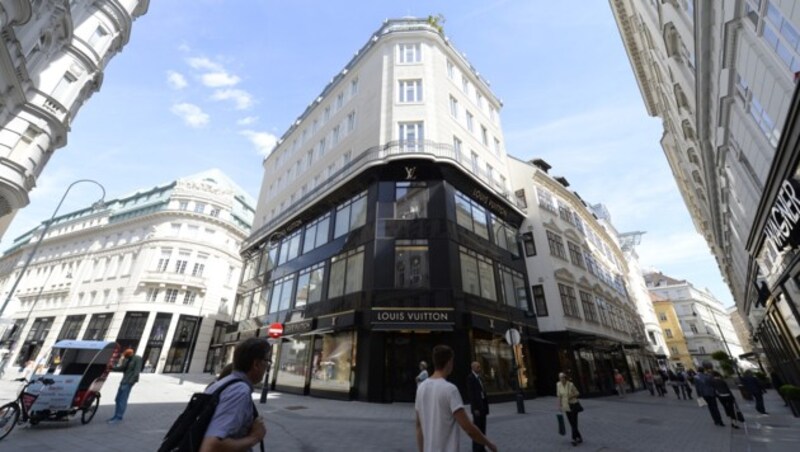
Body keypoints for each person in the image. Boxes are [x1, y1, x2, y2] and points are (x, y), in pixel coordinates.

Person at [415, 345, 497, 452]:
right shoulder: (450, 389)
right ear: (449, 362)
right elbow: (468, 427)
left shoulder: (421, 388)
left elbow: (418, 426)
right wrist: (489, 444)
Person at [201, 338, 268, 451]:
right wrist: (255, 437)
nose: (267, 367)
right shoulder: (239, 391)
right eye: (267, 361)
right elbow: (210, 447)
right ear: (256, 364)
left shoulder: (222, 384)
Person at [107, 348, 143, 424]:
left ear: (130, 354)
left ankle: (118, 417)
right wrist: (112, 368)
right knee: (117, 399)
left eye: (127, 356)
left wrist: (131, 382)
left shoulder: (137, 358)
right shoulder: (127, 359)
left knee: (122, 400)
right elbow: (122, 368)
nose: (126, 358)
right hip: (124, 381)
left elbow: (137, 372)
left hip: (128, 381)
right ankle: (116, 415)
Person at [466, 361, 490, 452]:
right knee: (477, 429)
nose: (479, 368)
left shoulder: (480, 378)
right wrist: (475, 408)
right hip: (477, 408)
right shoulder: (470, 378)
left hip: (483, 406)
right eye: (478, 367)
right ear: (473, 368)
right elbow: (471, 395)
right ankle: (476, 449)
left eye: (480, 366)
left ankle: (482, 447)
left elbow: (483, 391)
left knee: (483, 428)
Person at [557, 372, 583, 446]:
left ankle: (573, 439)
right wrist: (559, 406)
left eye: (562, 377)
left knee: (574, 422)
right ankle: (579, 437)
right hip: (566, 406)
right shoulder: (558, 385)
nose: (561, 379)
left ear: (565, 377)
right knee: (571, 423)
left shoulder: (570, 384)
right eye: (560, 377)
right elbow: (559, 396)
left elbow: (577, 393)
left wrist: (571, 396)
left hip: (573, 405)